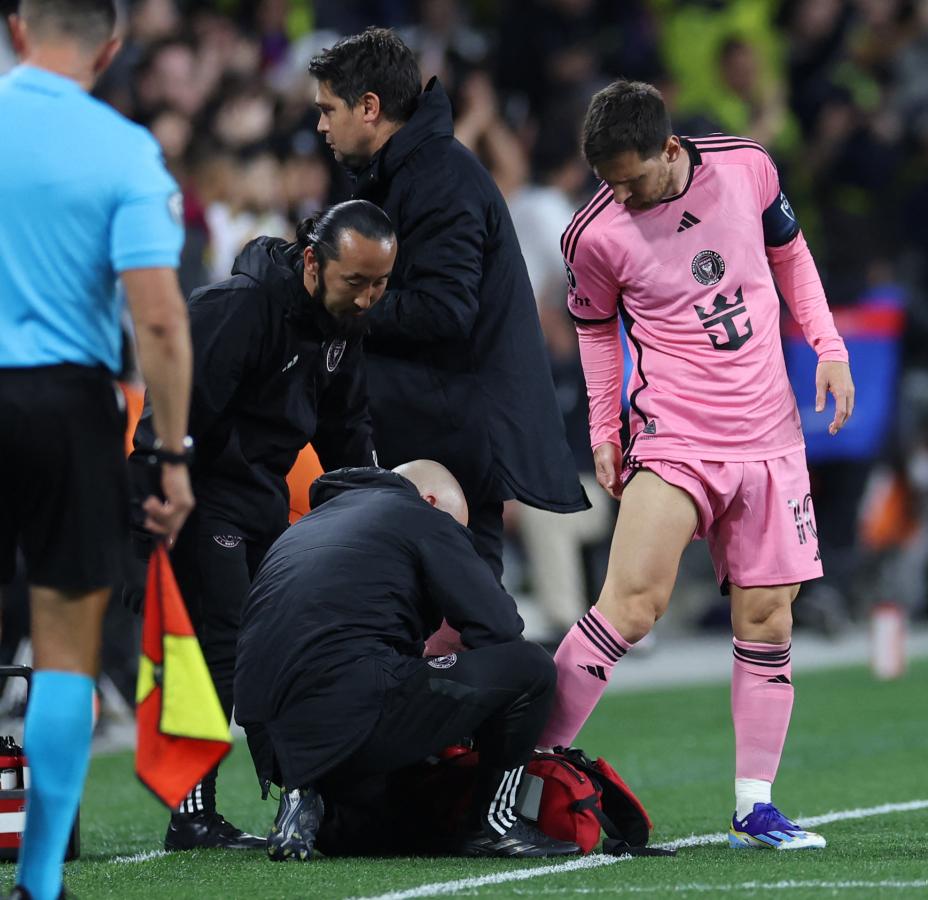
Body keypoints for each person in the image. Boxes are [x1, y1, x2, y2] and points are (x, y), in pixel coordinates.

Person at [537, 80, 855, 850]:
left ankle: (756, 804)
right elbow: (594, 331)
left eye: (632, 177)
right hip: (675, 436)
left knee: (767, 618)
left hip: (771, 437)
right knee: (630, 607)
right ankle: (524, 771)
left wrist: (830, 346)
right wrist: (603, 424)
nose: (620, 192)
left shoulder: (747, 167)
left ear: (670, 150)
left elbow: (792, 257)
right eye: (606, 179)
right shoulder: (594, 234)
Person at [129, 200, 395, 851]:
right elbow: (177, 403)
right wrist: (162, 490)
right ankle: (193, 814)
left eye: (379, 283)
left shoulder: (341, 325)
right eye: (355, 282)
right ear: (312, 262)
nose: (367, 298)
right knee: (226, 647)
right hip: (200, 492)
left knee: (282, 640)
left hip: (261, 499)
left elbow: (344, 427)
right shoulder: (241, 307)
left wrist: (377, 502)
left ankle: (302, 794)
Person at [0, 2, 193, 897]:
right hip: (64, 402)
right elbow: (156, 315)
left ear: (16, 33)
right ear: (112, 48)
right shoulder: (122, 150)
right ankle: (39, 885)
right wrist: (172, 452)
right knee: (65, 650)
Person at [308, 28, 588, 582]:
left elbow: (444, 308)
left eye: (327, 109)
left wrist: (339, 306)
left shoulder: (441, 178)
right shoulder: (395, 175)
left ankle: (514, 670)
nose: (320, 125)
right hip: (425, 427)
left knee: (467, 617)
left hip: (451, 438)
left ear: (369, 107)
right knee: (436, 616)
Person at [234, 462, 578, 861]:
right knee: (529, 665)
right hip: (352, 706)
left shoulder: (308, 526)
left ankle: (309, 797)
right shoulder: (419, 514)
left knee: (380, 834)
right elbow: (499, 625)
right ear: (431, 502)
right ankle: (495, 824)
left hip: (269, 741)